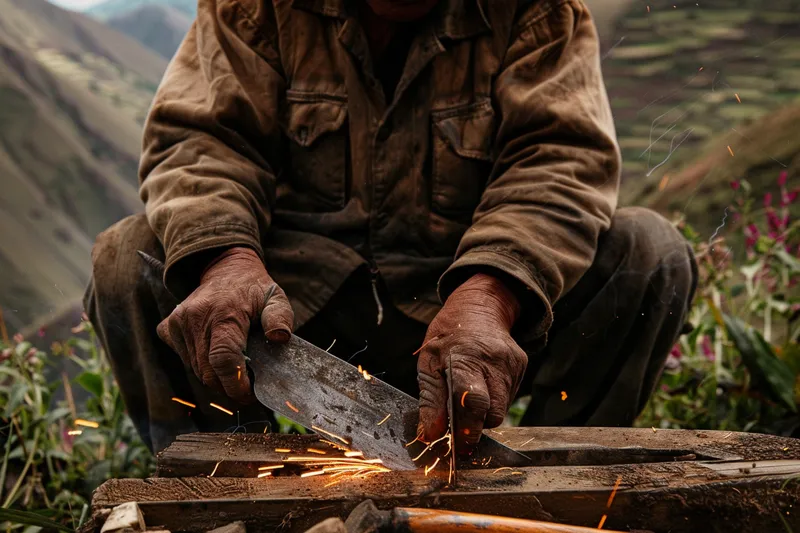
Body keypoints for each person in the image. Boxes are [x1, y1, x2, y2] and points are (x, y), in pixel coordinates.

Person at [85, 0, 697, 454]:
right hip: (296, 309)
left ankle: (551, 485)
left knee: (649, 253)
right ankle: (220, 479)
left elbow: (560, 161)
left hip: (468, 317)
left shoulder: (535, 9)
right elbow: (203, 141)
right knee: (126, 258)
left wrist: (492, 293)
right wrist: (225, 261)